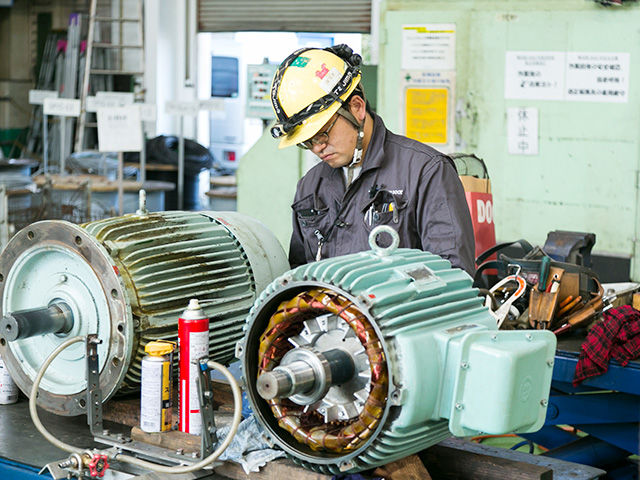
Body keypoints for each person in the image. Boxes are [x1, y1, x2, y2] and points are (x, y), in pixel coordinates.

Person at [270, 44, 476, 275]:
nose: (317, 148)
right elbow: (299, 271)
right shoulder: (310, 187)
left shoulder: (426, 171)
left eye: (322, 134)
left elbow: (452, 273)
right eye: (307, 141)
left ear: (356, 108)